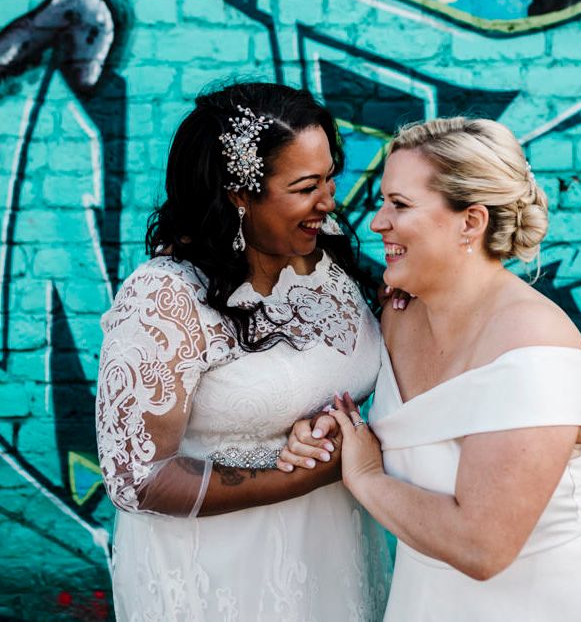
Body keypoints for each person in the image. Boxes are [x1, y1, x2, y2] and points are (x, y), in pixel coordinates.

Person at [290, 117, 581, 620]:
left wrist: (366, 476)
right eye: (383, 200)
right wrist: (335, 426)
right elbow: (404, 429)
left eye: (400, 204)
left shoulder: (534, 350)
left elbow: (483, 548)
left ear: (471, 222)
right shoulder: (400, 316)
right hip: (427, 600)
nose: (377, 222)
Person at [95, 82, 390, 620]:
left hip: (333, 546)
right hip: (220, 571)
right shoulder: (165, 297)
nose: (329, 203)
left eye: (329, 178)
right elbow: (137, 478)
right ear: (238, 193)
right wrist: (323, 468)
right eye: (305, 186)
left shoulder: (326, 259)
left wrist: (334, 432)